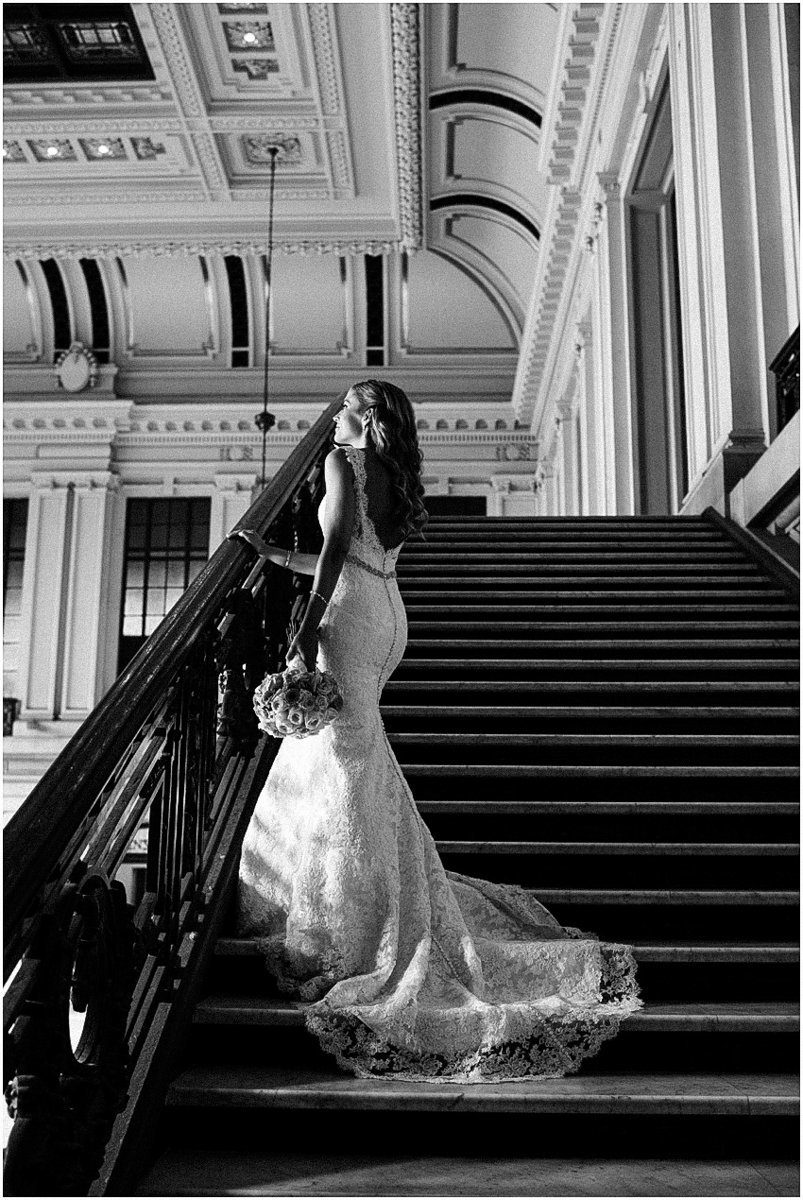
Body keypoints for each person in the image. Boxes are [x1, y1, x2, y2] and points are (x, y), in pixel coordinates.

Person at [229, 379, 641, 1083]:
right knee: (356, 749)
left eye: (346, 404)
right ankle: (376, 893)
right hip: (385, 613)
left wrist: (302, 627)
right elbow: (355, 555)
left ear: (366, 416)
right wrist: (273, 555)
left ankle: (353, 920)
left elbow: (332, 550)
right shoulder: (392, 473)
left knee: (346, 755)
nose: (334, 413)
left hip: (349, 616)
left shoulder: (345, 464)